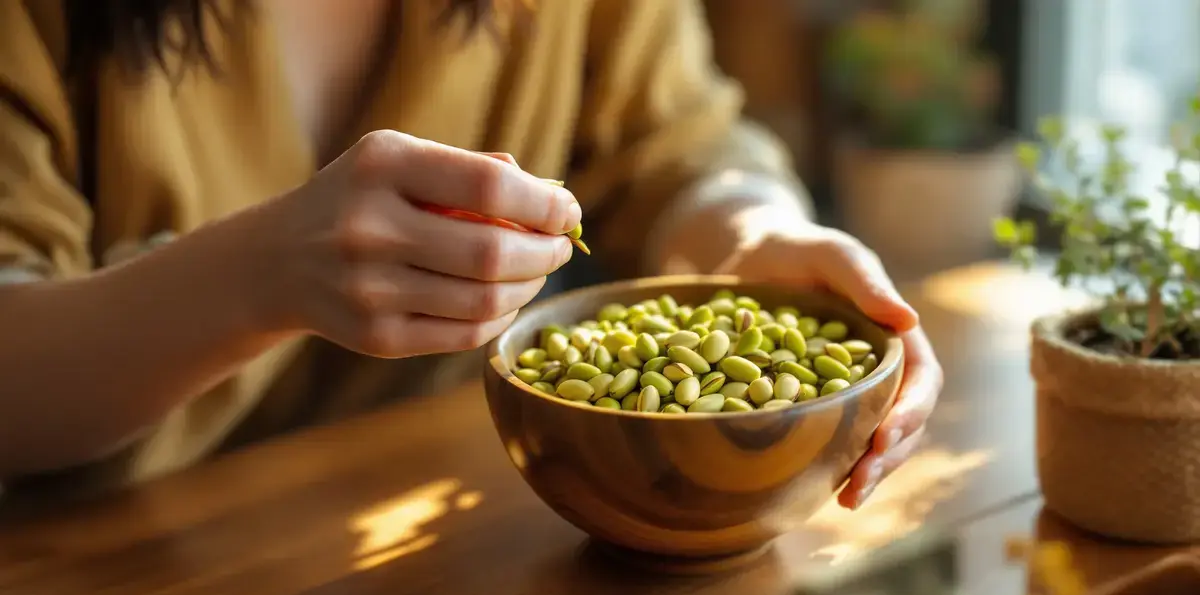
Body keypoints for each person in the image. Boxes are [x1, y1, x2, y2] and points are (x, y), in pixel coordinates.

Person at [0, 0, 941, 508]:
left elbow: (678, 149)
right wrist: (255, 275)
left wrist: (758, 234)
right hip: (106, 574)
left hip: (457, 536)